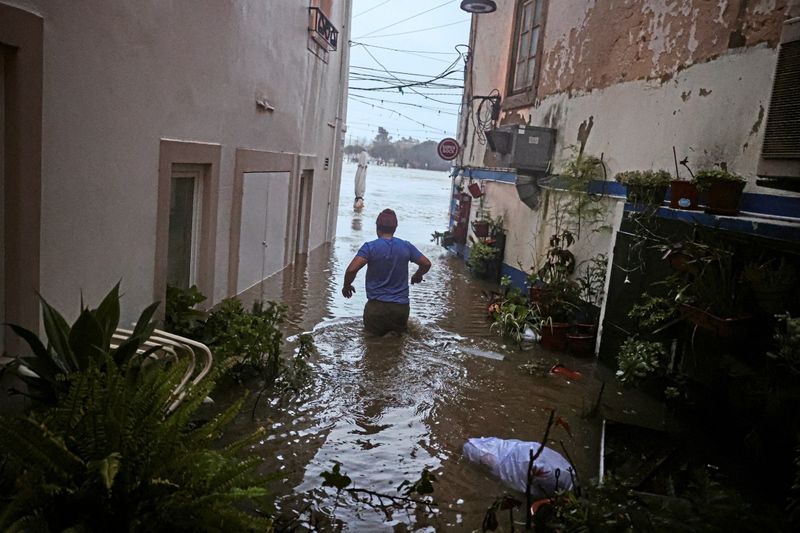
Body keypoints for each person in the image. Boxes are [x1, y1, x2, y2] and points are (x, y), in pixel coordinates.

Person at [342, 208, 432, 335]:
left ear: (377, 227)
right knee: (398, 346)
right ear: (395, 228)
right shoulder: (406, 246)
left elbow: (352, 269)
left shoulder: (370, 247)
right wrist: (418, 275)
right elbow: (426, 263)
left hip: (376, 308)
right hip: (400, 309)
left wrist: (346, 286)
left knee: (371, 346)